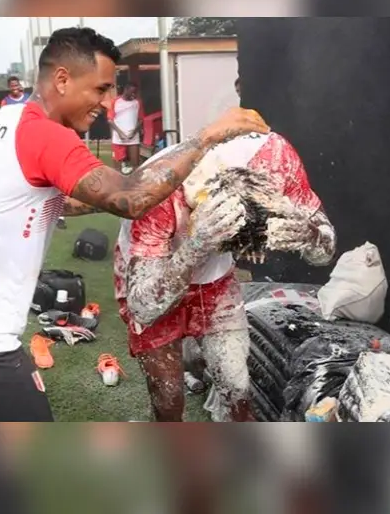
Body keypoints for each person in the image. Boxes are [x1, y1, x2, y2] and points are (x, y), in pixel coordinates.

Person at [0, 26, 269, 422]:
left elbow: (53, 199)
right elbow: (131, 197)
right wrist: (207, 138)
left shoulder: (4, 119)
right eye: (100, 89)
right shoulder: (45, 136)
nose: (108, 103)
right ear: (62, 79)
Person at [114, 131, 336, 422]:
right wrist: (195, 247)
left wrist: (310, 234)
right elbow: (143, 307)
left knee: (236, 387)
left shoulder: (277, 158)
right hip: (154, 278)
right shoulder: (157, 190)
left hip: (215, 282)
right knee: (168, 399)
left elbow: (325, 251)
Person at [108, 82, 144, 173]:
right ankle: (118, 181)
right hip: (119, 138)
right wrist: (120, 133)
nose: (133, 94)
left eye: (135, 92)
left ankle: (135, 180)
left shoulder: (137, 102)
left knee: (135, 165)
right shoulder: (115, 101)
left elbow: (140, 120)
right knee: (117, 166)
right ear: (126, 90)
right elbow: (110, 120)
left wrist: (134, 132)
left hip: (133, 137)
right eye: (132, 92)